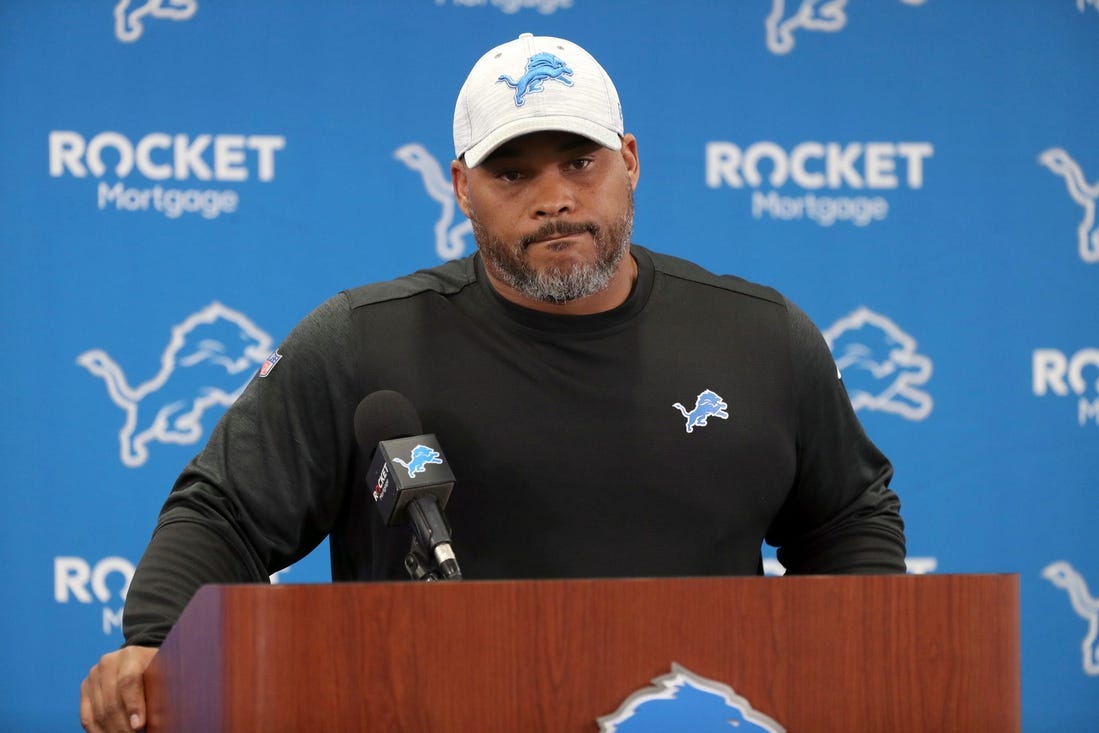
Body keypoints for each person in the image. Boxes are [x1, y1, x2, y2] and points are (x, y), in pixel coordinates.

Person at [79, 32, 906, 732]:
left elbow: (847, 520)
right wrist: (156, 641)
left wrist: (857, 675)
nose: (554, 198)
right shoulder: (363, 342)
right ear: (460, 189)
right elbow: (224, 510)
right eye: (512, 173)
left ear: (629, 161)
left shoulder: (759, 337)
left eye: (580, 161)